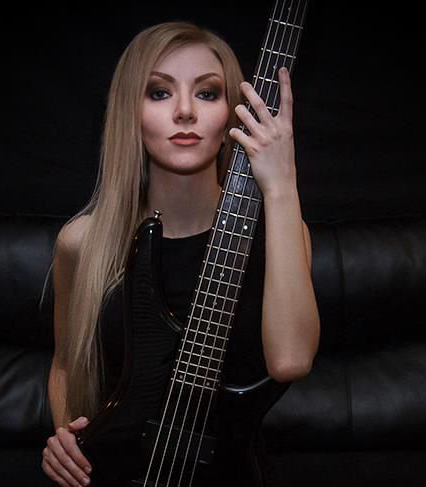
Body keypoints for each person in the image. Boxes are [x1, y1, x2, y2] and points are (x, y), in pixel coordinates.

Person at [40, 20, 320, 487]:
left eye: (207, 94)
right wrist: (70, 440)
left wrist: (281, 185)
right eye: (159, 92)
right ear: (131, 113)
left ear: (233, 116)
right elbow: (67, 365)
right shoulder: (82, 241)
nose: (185, 111)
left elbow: (290, 361)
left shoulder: (282, 235)